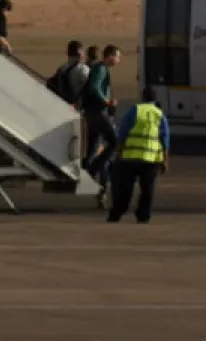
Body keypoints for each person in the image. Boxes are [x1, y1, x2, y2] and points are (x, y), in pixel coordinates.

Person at [107, 92, 169, 223]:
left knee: (125, 189)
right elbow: (165, 139)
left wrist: (118, 152)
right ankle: (143, 215)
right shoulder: (160, 114)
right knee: (147, 189)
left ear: (143, 97)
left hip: (131, 157)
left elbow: (123, 132)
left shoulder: (135, 110)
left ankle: (117, 213)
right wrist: (165, 160)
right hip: (151, 159)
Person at [81, 45, 121, 199]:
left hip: (93, 112)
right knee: (114, 140)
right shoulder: (101, 68)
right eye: (117, 56)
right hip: (97, 112)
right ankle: (93, 169)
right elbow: (94, 88)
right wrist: (107, 101)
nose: (118, 60)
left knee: (94, 145)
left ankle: (91, 172)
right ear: (110, 55)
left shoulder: (100, 68)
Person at [46, 40, 89, 105]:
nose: (84, 54)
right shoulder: (83, 69)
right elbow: (90, 89)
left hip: (62, 103)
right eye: (82, 51)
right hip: (77, 106)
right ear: (79, 52)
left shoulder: (62, 68)